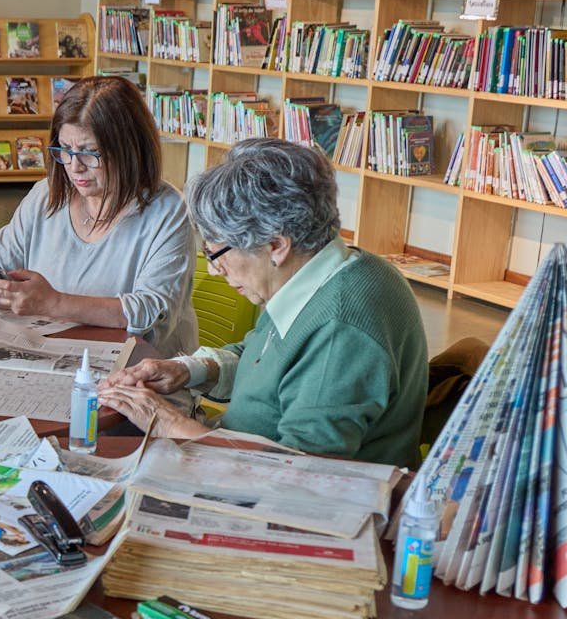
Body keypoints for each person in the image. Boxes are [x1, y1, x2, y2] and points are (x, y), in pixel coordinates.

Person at [99, 138, 429, 468]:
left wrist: (167, 423)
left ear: (276, 246)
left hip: (280, 494)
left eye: (217, 254)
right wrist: (188, 370)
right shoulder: (325, 271)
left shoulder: (340, 331)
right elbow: (266, 356)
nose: (214, 271)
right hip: (236, 457)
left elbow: (298, 472)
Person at [0, 76, 198, 358]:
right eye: (65, 150)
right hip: (52, 355)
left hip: (137, 373)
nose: (74, 167)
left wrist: (54, 303)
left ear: (129, 150)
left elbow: (150, 312)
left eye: (89, 153)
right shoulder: (45, 195)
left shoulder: (168, 211)